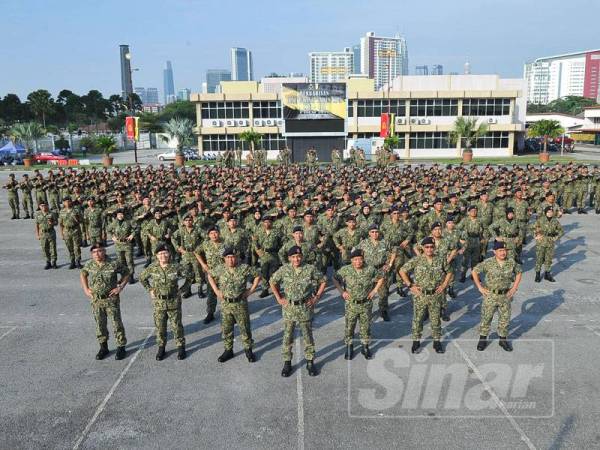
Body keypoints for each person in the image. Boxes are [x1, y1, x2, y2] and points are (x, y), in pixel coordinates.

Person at [270, 246, 326, 377]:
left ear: (302, 257)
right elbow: (272, 281)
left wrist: (316, 297)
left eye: (298, 256)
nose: (296, 259)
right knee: (287, 336)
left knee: (307, 336)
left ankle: (310, 362)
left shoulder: (310, 269)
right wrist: (279, 298)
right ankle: (287, 362)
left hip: (305, 307)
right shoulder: (284, 269)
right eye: (293, 257)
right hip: (289, 307)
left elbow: (323, 280)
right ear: (289, 258)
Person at [201, 247, 261, 363]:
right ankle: (228, 350)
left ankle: (248, 350)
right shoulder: (220, 269)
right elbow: (209, 275)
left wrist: (250, 291)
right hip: (226, 305)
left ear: (237, 258)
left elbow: (258, 275)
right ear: (224, 259)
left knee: (245, 328)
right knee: (226, 329)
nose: (231, 260)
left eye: (233, 257)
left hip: (240, 304)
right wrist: (216, 291)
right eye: (228, 257)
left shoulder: (244, 268)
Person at [399, 236, 452, 354]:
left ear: (434, 247)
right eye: (427, 247)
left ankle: (437, 342)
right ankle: (416, 341)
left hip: (435, 295)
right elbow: (402, 270)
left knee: (435, 320)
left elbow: (449, 271)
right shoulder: (417, 260)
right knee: (418, 319)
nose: (429, 249)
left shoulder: (441, 259)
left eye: (431, 247)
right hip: (420, 295)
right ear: (422, 248)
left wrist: (444, 285)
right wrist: (410, 285)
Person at [139, 244, 191, 361]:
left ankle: (181, 347)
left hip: (173, 301)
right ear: (156, 256)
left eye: (165, 253)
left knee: (177, 326)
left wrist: (182, 289)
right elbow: (142, 278)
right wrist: (150, 289)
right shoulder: (152, 268)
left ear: (169, 254)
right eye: (160, 254)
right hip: (159, 302)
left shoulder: (176, 266)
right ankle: (161, 347)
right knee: (160, 327)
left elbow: (190, 277)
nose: (163, 255)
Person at [80, 243, 130, 360]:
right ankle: (103, 347)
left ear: (104, 251)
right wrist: (86, 289)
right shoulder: (90, 264)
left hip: (111, 299)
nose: (97, 254)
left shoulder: (113, 263)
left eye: (99, 251)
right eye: (94, 252)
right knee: (100, 324)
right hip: (96, 299)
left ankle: (121, 347)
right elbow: (83, 274)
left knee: (116, 323)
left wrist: (120, 286)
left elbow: (126, 273)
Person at [333, 248, 384, 360]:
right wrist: (342, 292)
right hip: (351, 304)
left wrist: (375, 290)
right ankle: (349, 346)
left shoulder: (370, 269)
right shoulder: (345, 270)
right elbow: (335, 278)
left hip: (366, 304)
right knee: (349, 327)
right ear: (351, 260)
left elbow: (381, 278)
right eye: (355, 259)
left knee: (365, 327)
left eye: (360, 259)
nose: (358, 262)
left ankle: (365, 346)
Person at [471, 240, 522, 352]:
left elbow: (519, 272)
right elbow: (474, 271)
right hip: (491, 295)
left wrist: (514, 288)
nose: (503, 253)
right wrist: (480, 287)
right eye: (500, 250)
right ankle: (483, 339)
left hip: (505, 295)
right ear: (494, 251)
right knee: (486, 317)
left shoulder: (511, 262)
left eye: (504, 250)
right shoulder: (488, 262)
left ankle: (503, 340)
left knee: (505, 318)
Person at [532, 206, 564, 282]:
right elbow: (532, 228)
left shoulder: (555, 221)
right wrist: (536, 236)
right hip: (541, 242)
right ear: (545, 213)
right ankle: (537, 274)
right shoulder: (540, 220)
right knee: (539, 258)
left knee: (548, 259)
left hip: (550, 242)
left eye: (551, 212)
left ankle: (547, 274)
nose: (550, 213)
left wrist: (556, 238)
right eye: (548, 212)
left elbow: (561, 231)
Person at [109, 209, 137, 283]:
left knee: (129, 261)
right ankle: (124, 276)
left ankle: (131, 276)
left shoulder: (129, 221)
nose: (120, 216)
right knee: (121, 261)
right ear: (116, 215)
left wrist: (132, 235)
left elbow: (137, 228)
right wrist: (113, 236)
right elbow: (108, 229)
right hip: (118, 244)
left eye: (121, 214)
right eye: (118, 214)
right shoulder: (114, 223)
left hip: (127, 244)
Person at [59, 196, 83, 269]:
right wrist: (62, 233)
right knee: (70, 247)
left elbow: (81, 220)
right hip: (66, 231)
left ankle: (78, 261)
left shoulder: (76, 210)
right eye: (66, 201)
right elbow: (61, 224)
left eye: (69, 201)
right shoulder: (62, 211)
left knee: (77, 247)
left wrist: (77, 218)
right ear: (63, 203)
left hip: (75, 229)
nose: (67, 203)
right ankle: (72, 261)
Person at [34, 201, 58, 269]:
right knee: (44, 248)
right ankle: (48, 262)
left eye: (45, 205)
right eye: (41, 206)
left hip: (51, 232)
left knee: (53, 247)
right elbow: (37, 225)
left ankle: (54, 262)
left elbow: (56, 223)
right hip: (43, 233)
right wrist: (37, 234)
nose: (43, 207)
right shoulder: (38, 214)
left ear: (47, 206)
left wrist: (52, 223)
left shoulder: (52, 214)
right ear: (39, 207)